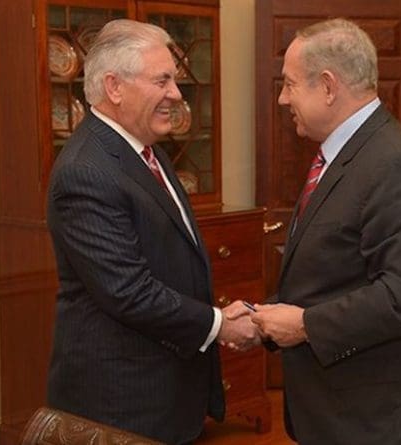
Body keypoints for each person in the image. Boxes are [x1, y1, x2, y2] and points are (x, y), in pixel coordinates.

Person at [248, 18, 401, 444]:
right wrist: (263, 317)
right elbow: (338, 272)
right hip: (347, 414)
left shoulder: (395, 165)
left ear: (328, 86)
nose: (281, 98)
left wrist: (307, 324)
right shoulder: (350, 155)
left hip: (387, 421)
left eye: (290, 84)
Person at [45, 19, 258, 444]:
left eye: (175, 81)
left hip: (164, 393)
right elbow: (128, 291)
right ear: (115, 87)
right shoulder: (87, 171)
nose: (176, 94)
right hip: (121, 405)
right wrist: (219, 324)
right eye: (162, 80)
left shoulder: (147, 152)